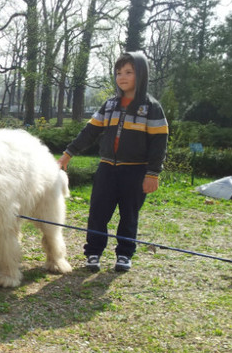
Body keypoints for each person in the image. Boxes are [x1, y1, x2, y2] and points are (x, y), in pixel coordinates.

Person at [57, 51, 168, 272]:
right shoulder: (109, 105)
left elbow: (159, 143)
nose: (122, 77)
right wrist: (68, 153)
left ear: (142, 74)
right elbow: (90, 132)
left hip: (136, 172)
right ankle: (93, 253)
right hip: (107, 169)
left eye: (128, 72)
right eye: (118, 73)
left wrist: (153, 173)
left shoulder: (151, 107)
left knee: (129, 215)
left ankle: (125, 254)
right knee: (98, 213)